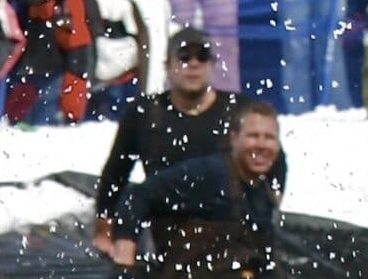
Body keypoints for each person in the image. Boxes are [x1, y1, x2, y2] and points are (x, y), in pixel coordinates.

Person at [99, 98, 322, 279]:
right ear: (234, 139)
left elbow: (265, 265)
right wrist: (125, 254)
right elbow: (138, 196)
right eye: (253, 136)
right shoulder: (209, 174)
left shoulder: (261, 195)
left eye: (269, 138)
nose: (262, 145)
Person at [93, 23, 267, 235]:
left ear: (212, 64)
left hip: (230, 233)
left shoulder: (238, 110)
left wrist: (269, 207)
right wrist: (104, 224)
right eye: (184, 57)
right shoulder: (144, 113)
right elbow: (115, 174)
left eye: (202, 57)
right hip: (167, 231)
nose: (193, 64)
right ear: (167, 65)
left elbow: (273, 156)